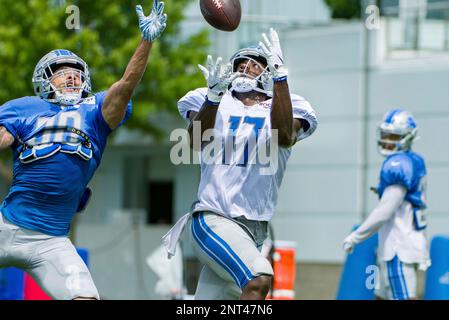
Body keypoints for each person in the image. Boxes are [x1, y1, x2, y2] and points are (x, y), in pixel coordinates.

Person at [0, 1, 166, 300]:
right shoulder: (23, 108)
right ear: (44, 80)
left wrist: (146, 42)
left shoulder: (94, 111)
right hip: (7, 226)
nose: (71, 76)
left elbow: (126, 86)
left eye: (76, 72)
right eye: (61, 72)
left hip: (51, 241)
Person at [163, 28, 317, 300]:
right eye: (240, 64)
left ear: (269, 72)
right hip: (213, 217)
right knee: (258, 279)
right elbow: (195, 141)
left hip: (254, 227)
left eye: (255, 64)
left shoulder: (288, 103)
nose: (246, 67)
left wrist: (281, 78)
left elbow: (284, 136)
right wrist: (212, 97)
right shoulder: (213, 98)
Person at [342, 109, 430, 300]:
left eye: (393, 136)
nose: (387, 140)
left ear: (407, 137)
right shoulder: (414, 161)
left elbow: (384, 211)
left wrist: (356, 236)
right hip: (398, 242)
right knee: (381, 295)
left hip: (398, 247)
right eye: (385, 135)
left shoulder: (399, 164)